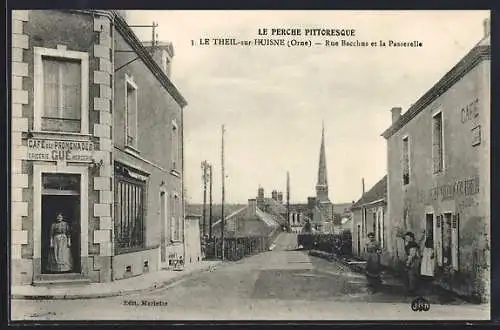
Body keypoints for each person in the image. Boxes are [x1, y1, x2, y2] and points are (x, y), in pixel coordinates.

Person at [404, 231, 422, 296]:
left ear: (411, 238)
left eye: (407, 237)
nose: (406, 239)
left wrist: (408, 263)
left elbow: (412, 255)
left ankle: (412, 290)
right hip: (415, 261)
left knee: (412, 276)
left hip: (414, 261)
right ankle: (413, 289)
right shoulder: (412, 244)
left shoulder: (412, 244)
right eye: (406, 237)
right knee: (413, 275)